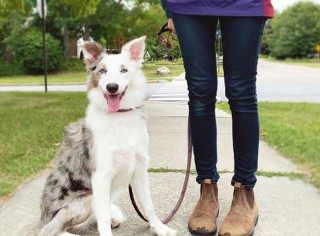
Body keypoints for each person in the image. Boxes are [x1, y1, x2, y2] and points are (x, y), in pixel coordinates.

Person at [160, 1, 274, 236]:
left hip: (245, 4)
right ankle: (207, 189)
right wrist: (169, 10)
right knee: (200, 93)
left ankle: (245, 194)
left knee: (241, 92)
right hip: (188, 5)